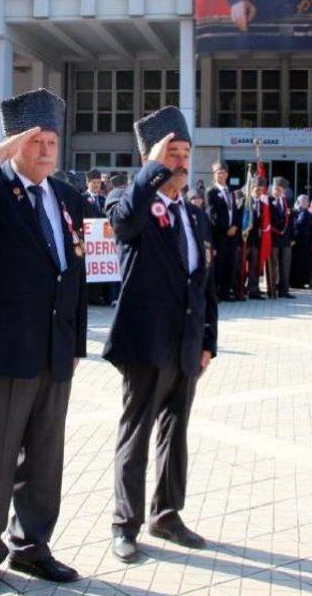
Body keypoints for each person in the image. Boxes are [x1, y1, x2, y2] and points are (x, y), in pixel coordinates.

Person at [0, 88, 87, 596]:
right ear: (14, 145)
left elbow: (75, 270)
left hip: (54, 349)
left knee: (46, 458)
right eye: (36, 141)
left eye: (52, 140)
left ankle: (32, 546)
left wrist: (76, 340)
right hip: (3, 350)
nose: (47, 150)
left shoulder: (66, 197)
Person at [103, 106, 217, 563]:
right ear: (151, 157)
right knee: (137, 433)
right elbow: (124, 220)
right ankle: (124, 524)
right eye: (173, 152)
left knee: (176, 431)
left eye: (187, 152)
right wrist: (151, 168)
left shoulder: (193, 215)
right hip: (145, 342)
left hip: (186, 344)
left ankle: (167, 514)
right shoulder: (129, 205)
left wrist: (208, 339)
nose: (182, 162)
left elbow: (205, 282)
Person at [206, 162, 239, 302]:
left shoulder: (230, 191)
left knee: (230, 264)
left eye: (224, 172)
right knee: (218, 265)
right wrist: (226, 229)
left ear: (227, 174)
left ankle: (226, 292)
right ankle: (216, 293)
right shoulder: (211, 192)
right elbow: (211, 215)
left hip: (232, 235)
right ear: (214, 175)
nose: (221, 175)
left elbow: (235, 211)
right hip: (219, 235)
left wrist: (235, 226)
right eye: (218, 172)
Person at [269, 177, 294, 299]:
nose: (278, 191)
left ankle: (284, 290)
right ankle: (272, 289)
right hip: (273, 237)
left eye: (280, 189)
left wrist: (292, 236)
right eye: (276, 189)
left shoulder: (287, 201)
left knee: (285, 264)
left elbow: (291, 221)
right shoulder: (267, 201)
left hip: (285, 238)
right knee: (273, 264)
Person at [244, 178, 266, 299]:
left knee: (254, 266)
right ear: (251, 189)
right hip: (245, 239)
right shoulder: (245, 202)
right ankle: (240, 289)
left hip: (256, 241)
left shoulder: (263, 205)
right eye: (256, 189)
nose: (258, 192)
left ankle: (253, 289)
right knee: (242, 266)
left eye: (260, 190)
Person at [291, 195, 312, 288]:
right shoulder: (294, 212)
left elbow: (311, 228)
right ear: (298, 201)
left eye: (306, 200)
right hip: (295, 241)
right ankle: (293, 282)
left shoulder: (308, 213)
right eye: (303, 200)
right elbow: (294, 225)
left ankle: (301, 282)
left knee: (303, 262)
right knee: (295, 262)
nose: (305, 202)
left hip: (305, 242)